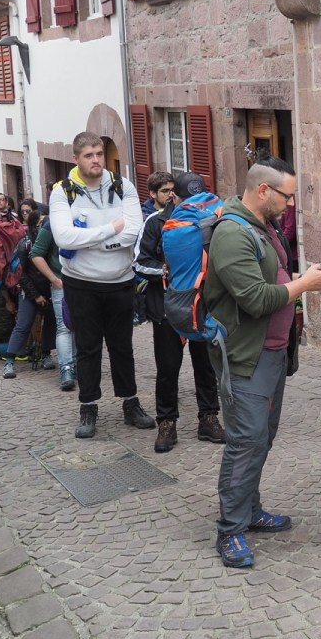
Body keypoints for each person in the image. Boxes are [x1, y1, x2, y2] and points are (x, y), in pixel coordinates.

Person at [205, 154, 321, 568]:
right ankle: (229, 532)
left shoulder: (263, 227)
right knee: (245, 443)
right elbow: (255, 299)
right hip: (246, 357)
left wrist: (304, 276)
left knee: (261, 438)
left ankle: (249, 510)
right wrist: (305, 284)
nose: (290, 205)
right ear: (262, 190)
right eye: (286, 196)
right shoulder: (232, 234)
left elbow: (275, 279)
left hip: (273, 352)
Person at [48, 132, 150, 438]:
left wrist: (95, 241)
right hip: (81, 283)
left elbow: (133, 232)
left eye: (99, 154)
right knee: (88, 347)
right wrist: (109, 229)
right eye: (89, 155)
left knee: (122, 347)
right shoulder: (62, 192)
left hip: (120, 281)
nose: (96, 160)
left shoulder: (122, 186)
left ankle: (130, 403)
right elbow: (64, 238)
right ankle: (88, 407)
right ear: (76, 158)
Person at [135, 170, 225, 453]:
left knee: (205, 366)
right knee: (168, 368)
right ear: (174, 195)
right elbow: (138, 263)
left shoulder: (211, 218)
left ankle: (208, 418)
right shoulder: (156, 222)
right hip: (166, 308)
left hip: (201, 305)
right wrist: (166, 271)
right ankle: (167, 423)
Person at [2, 209, 56, 379]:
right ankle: (9, 361)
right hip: (29, 291)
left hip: (50, 289)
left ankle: (46, 354)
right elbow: (20, 274)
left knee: (51, 324)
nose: (43, 226)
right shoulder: (24, 245)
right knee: (23, 324)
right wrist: (35, 295)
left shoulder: (53, 243)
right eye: (39, 223)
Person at [29, 217, 75, 390]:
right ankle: (67, 369)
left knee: (83, 326)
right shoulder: (52, 223)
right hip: (61, 283)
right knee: (64, 326)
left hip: (86, 282)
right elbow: (36, 253)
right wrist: (54, 279)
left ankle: (78, 366)